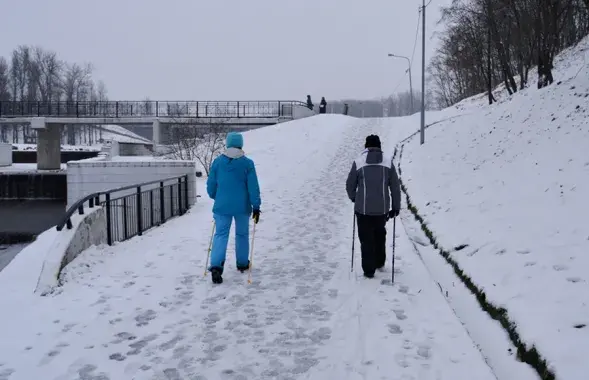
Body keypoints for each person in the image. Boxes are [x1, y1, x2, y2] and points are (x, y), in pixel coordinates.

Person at [206, 132, 261, 284]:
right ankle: (242, 263)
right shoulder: (247, 163)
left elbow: (211, 185)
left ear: (228, 144)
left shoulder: (217, 162)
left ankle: (216, 266)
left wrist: (216, 196)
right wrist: (256, 206)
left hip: (222, 206)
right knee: (242, 234)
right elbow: (253, 187)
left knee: (221, 235)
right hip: (242, 206)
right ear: (240, 144)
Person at [345, 134, 401, 278]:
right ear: (379, 146)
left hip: (362, 209)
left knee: (366, 238)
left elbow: (350, 185)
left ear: (366, 146)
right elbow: (395, 186)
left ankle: (369, 270)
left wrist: (354, 198)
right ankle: (379, 262)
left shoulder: (359, 162)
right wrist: (395, 206)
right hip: (382, 210)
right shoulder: (388, 163)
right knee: (379, 233)